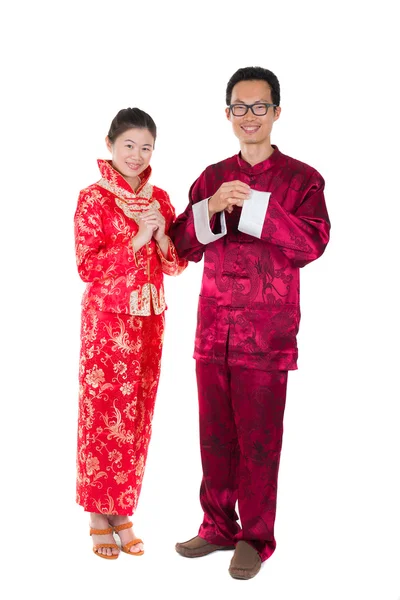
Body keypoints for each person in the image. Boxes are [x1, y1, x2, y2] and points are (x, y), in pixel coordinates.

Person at [169, 66, 330, 579]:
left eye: (260, 106)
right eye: (240, 107)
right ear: (228, 114)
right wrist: (212, 206)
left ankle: (255, 537)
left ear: (277, 112)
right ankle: (217, 525)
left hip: (266, 334)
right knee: (214, 435)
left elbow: (313, 244)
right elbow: (180, 246)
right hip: (213, 329)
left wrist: (257, 207)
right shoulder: (211, 177)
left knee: (260, 440)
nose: (250, 116)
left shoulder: (303, 179)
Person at [74, 107, 187, 559]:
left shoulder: (160, 197)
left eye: (146, 148)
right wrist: (137, 239)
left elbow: (176, 266)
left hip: (150, 322)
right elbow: (87, 266)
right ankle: (96, 512)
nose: (138, 155)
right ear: (109, 144)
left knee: (137, 414)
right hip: (107, 323)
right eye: (129, 145)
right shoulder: (92, 198)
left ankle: (121, 508)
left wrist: (161, 240)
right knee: (104, 413)